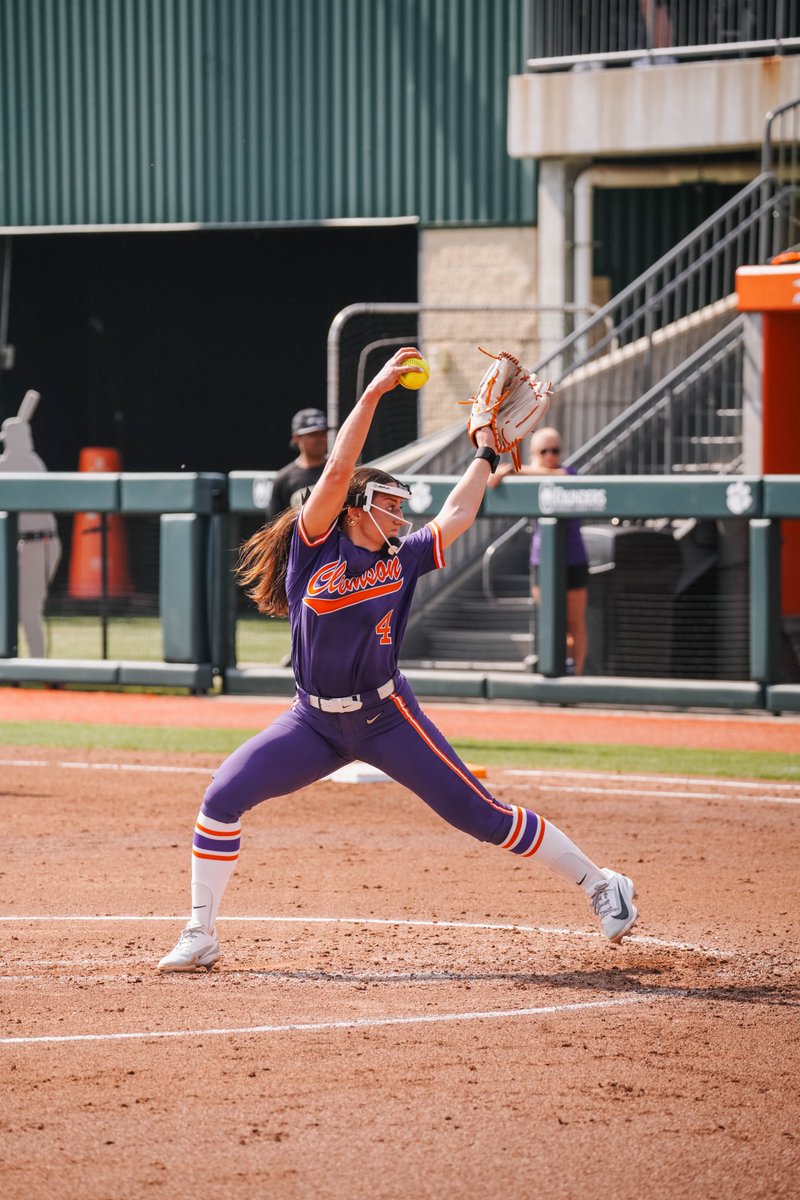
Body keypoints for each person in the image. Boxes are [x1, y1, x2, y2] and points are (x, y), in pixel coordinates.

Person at [158, 350, 637, 972]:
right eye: (391, 503)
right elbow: (336, 471)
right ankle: (201, 932)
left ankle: (602, 885)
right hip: (313, 723)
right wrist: (378, 390)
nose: (402, 512)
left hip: (388, 718)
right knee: (221, 798)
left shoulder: (403, 555)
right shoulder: (314, 547)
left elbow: (459, 512)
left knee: (482, 817)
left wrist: (487, 453)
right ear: (358, 507)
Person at [490, 427, 589, 676]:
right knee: (550, 620)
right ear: (535, 453)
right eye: (544, 451)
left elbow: (562, 475)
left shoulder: (568, 473)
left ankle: (574, 676)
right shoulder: (528, 477)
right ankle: (552, 671)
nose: (550, 456)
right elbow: (493, 482)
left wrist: (515, 468)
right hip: (542, 560)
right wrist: (506, 471)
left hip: (573, 559)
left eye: (555, 450)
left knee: (574, 623)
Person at [0, 401, 62, 658]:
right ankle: (10, 665)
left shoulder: (31, 463)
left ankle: (37, 666)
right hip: (19, 545)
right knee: (8, 608)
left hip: (40, 544)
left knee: (28, 610)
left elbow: (9, 466)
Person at [266, 406, 331, 520]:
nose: (320, 439)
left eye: (323, 433)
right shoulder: (283, 479)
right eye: (313, 434)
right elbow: (274, 526)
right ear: (296, 437)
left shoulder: (338, 470)